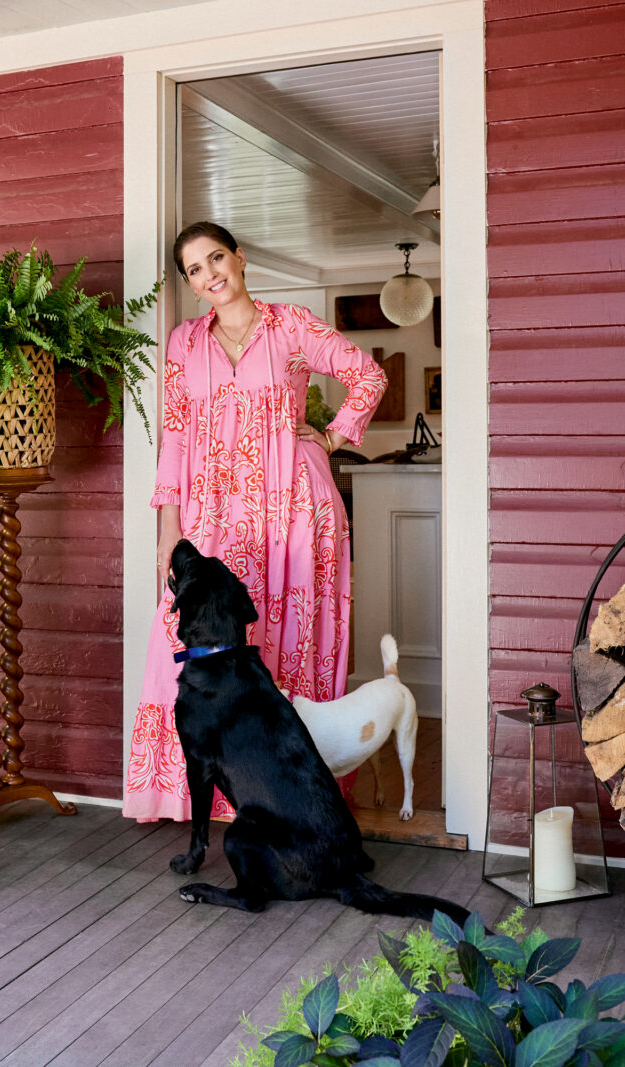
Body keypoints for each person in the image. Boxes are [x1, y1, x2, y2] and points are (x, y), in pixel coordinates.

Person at [123, 221, 387, 823]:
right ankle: (198, 793)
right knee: (189, 637)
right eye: (195, 269)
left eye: (217, 258)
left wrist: (329, 437)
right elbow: (176, 438)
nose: (210, 274)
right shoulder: (183, 344)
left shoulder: (292, 325)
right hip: (213, 509)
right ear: (189, 283)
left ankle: (287, 791)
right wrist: (169, 531)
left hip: (296, 505)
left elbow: (368, 376)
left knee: (287, 641)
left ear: (240, 259)